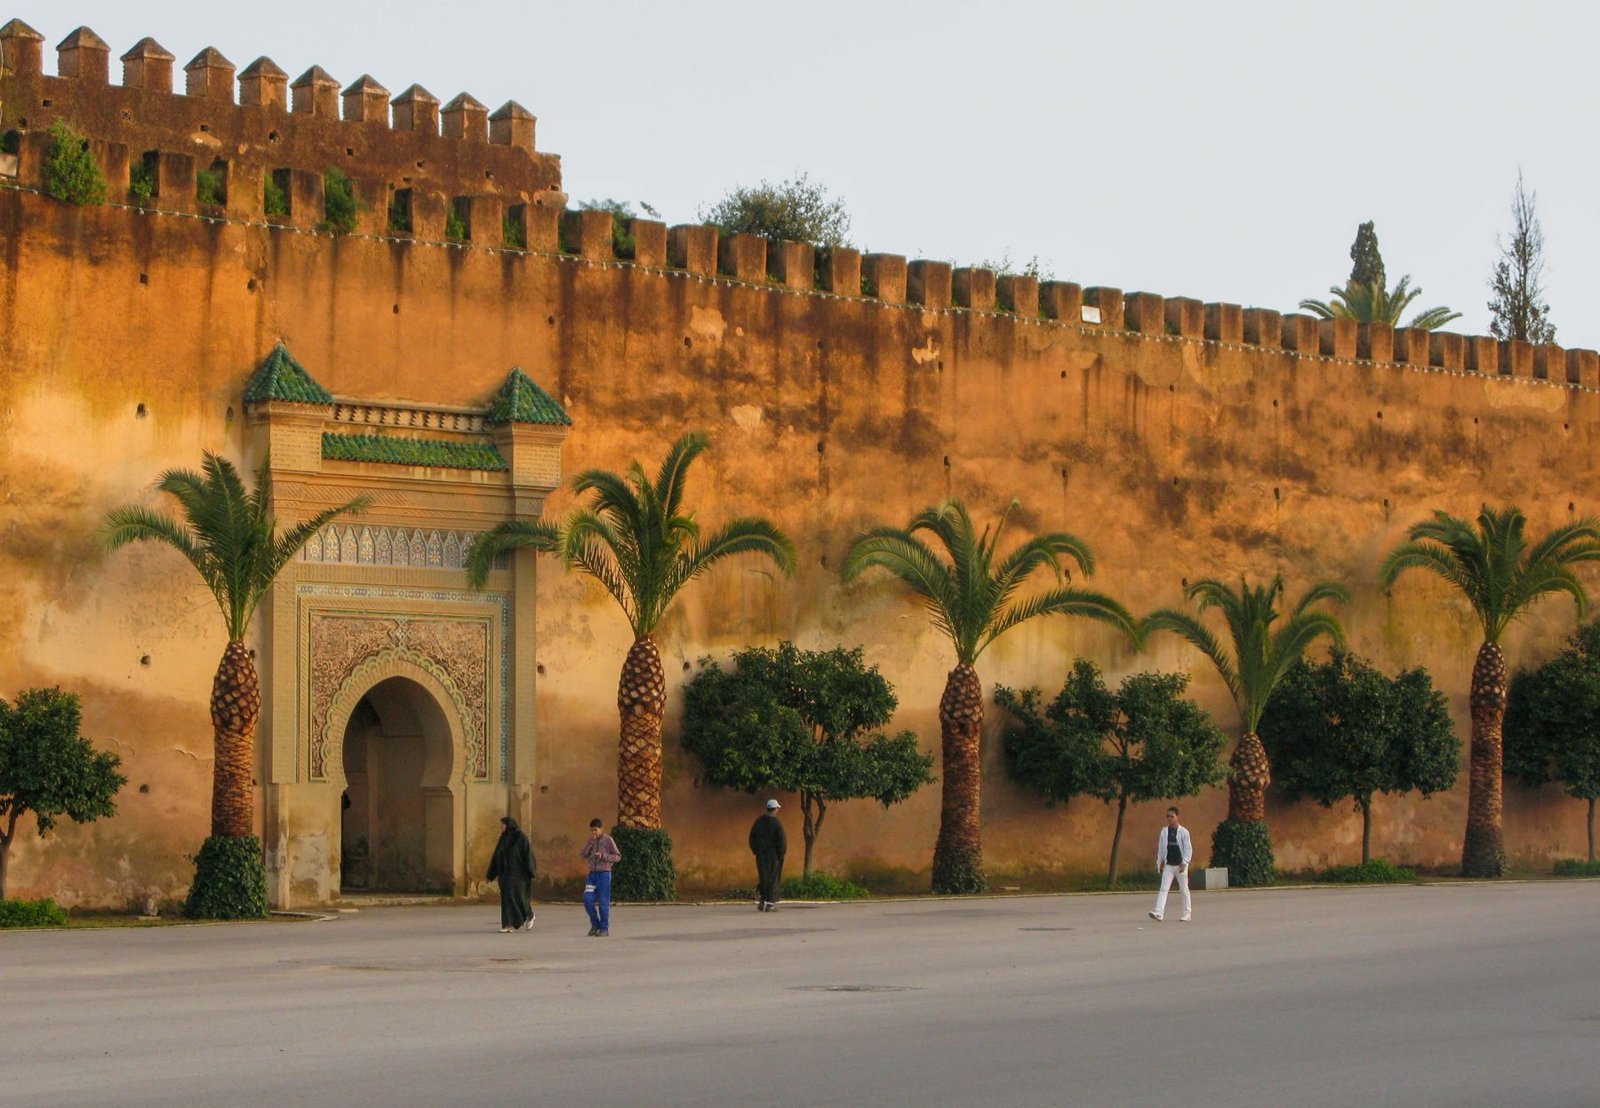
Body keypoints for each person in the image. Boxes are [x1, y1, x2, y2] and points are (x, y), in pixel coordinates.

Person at [486, 815, 536, 933]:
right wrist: (490, 875)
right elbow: (496, 857)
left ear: (509, 825)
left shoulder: (521, 838)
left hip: (519, 875)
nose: (502, 827)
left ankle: (529, 915)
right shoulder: (503, 839)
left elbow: (528, 854)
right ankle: (508, 925)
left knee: (519, 897)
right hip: (505, 875)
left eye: (503, 824)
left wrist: (530, 871)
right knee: (507, 899)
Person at [1149, 806, 1193, 923]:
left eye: (1172, 816)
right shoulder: (1164, 832)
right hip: (1169, 865)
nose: (1169, 819)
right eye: (1167, 816)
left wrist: (1185, 863)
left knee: (1184, 889)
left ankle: (1186, 914)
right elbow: (1161, 849)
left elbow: (1188, 849)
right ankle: (1159, 913)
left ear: (1177, 817)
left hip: (1180, 865)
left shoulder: (1184, 832)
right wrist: (1160, 862)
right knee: (1163, 889)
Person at [581, 818, 622, 937]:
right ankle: (595, 924)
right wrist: (589, 844)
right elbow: (583, 854)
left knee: (603, 902)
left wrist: (603, 856)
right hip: (592, 874)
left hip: (604, 874)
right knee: (587, 899)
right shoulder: (591, 841)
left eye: (595, 830)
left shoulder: (608, 840)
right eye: (591, 830)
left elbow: (617, 856)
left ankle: (604, 928)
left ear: (601, 829)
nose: (593, 832)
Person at [749, 799, 787, 912]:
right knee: (772, 878)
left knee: (763, 877)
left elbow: (752, 838)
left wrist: (756, 851)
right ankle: (770, 903)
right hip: (773, 856)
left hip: (761, 855)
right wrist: (781, 854)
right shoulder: (776, 823)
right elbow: (782, 841)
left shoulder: (759, 821)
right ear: (775, 809)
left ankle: (762, 902)